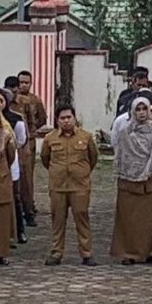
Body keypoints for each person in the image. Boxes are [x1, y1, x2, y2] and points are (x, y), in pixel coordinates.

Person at [109, 97, 152, 264]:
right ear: (132, 112)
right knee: (130, 217)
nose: (141, 113)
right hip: (130, 178)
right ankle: (130, 253)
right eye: (137, 110)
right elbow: (120, 153)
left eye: (144, 109)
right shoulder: (125, 132)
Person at [41, 105, 99, 266]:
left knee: (82, 217)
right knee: (57, 220)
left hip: (80, 186)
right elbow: (45, 159)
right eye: (62, 118)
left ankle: (86, 253)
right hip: (58, 186)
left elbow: (93, 158)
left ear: (75, 118)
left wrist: (82, 172)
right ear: (57, 120)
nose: (66, 121)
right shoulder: (50, 138)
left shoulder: (86, 137)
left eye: (69, 117)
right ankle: (56, 252)